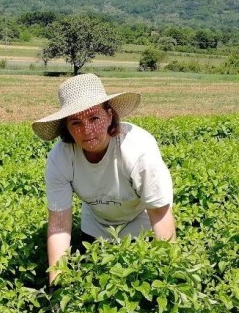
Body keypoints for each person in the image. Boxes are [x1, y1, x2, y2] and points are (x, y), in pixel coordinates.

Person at [32, 73, 175, 285]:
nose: (86, 131)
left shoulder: (137, 149)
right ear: (66, 128)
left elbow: (159, 214)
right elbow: (59, 227)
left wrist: (168, 278)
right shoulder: (60, 158)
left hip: (141, 225)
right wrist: (56, 286)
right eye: (76, 122)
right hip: (97, 227)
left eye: (94, 118)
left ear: (110, 115)